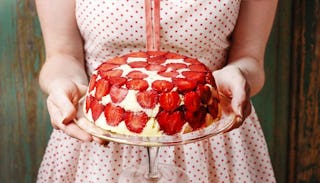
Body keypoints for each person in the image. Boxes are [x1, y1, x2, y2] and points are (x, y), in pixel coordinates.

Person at [35, 0, 278, 182]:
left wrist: (239, 75)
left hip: (212, 134)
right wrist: (62, 83)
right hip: (98, 139)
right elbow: (62, 54)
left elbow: (250, 58)